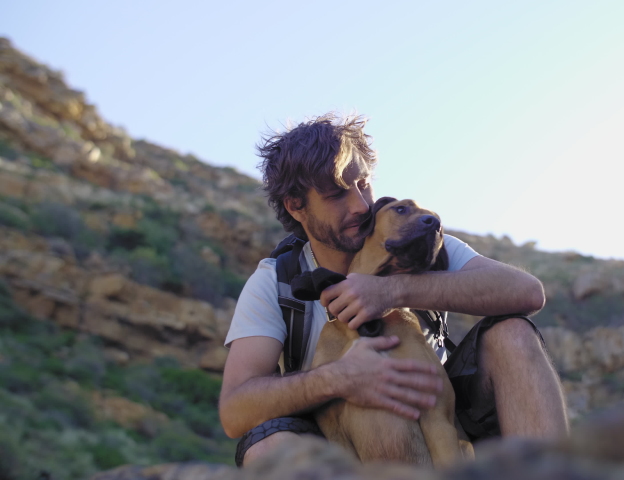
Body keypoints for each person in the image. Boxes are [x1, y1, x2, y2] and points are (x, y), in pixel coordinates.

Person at [218, 113, 569, 466]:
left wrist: (393, 291)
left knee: (512, 334)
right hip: (342, 442)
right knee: (266, 444)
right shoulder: (275, 281)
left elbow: (526, 293)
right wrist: (337, 378)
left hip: (444, 422)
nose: (360, 205)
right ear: (297, 206)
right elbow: (236, 411)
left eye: (363, 184)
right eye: (336, 193)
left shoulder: (412, 239)